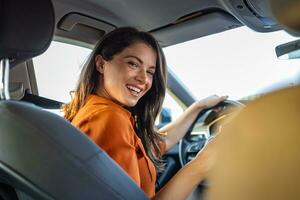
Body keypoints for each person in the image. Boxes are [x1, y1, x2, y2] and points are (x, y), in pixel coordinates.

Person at [63, 27, 227, 199]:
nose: (144, 79)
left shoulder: (96, 111)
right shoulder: (108, 118)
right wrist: (201, 164)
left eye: (150, 72)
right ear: (101, 64)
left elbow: (155, 145)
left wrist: (197, 107)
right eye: (133, 64)